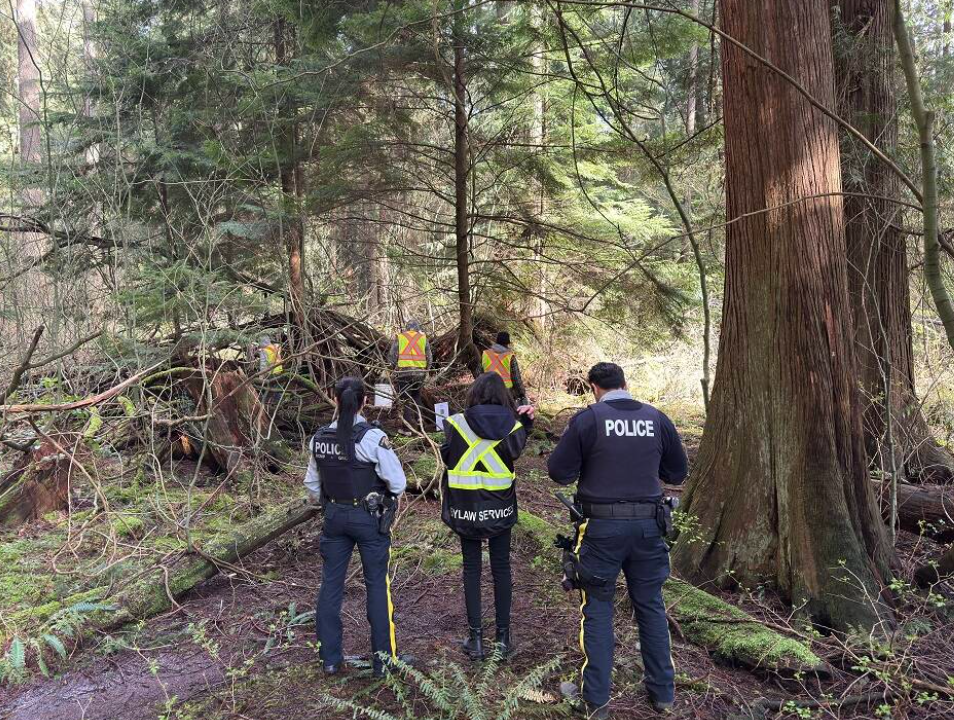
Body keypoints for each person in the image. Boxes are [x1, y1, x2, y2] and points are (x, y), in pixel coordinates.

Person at [547, 362, 688, 718]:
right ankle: (663, 695)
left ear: (594, 386)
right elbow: (677, 472)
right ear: (626, 384)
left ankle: (595, 700)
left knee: (596, 608)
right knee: (651, 607)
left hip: (601, 530)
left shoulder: (588, 419)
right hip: (649, 529)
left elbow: (558, 472)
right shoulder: (656, 418)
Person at [305, 377, 407, 678]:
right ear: (365, 401)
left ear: (334, 399)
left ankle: (330, 659)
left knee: (331, 585)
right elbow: (398, 483)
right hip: (368, 518)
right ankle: (383, 661)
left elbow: (312, 486)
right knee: (377, 585)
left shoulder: (319, 439)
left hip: (334, 516)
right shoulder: (373, 438)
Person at [440, 372, 534, 661]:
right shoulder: (514, 425)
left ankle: (476, 639)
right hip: (500, 507)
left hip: (465, 507)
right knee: (501, 569)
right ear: (504, 396)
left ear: (474, 394)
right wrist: (526, 426)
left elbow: (448, 457)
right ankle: (503, 639)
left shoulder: (455, 422)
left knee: (471, 569)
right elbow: (515, 450)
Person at [387, 320, 433, 433]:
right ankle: (420, 423)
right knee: (416, 396)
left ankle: (408, 428)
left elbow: (392, 355)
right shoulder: (423, 338)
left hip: (404, 373)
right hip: (419, 373)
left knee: (405, 400)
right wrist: (427, 370)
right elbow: (429, 356)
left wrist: (391, 369)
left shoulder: (400, 337)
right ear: (418, 328)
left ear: (407, 328)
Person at [480, 331, 527, 405]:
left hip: (487, 391)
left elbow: (480, 373)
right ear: (508, 343)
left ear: (496, 341)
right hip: (505, 394)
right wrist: (521, 393)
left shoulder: (485, 354)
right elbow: (516, 379)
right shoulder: (510, 357)